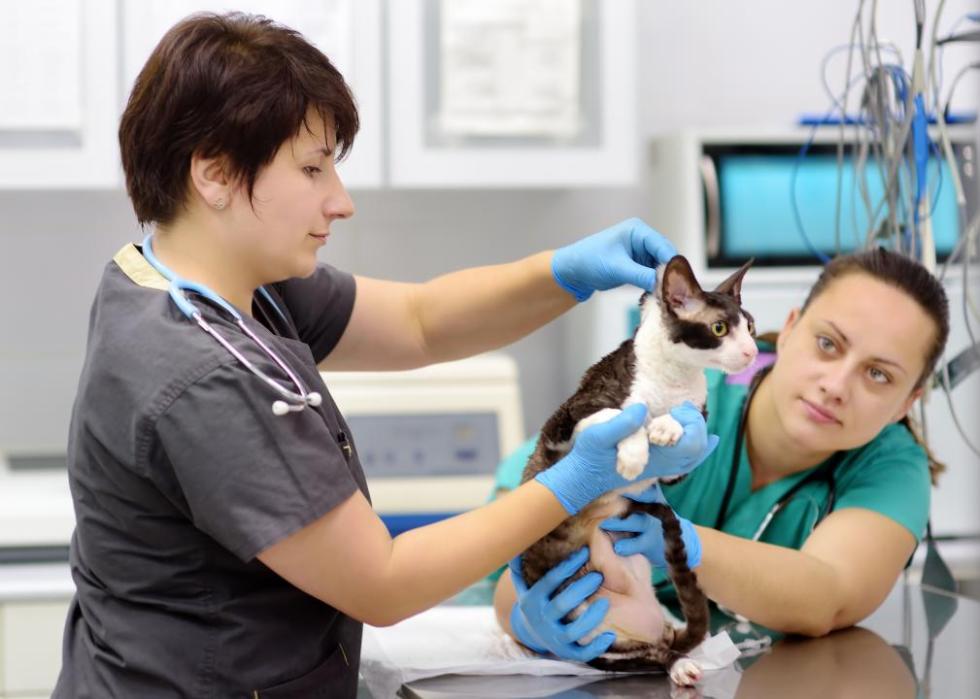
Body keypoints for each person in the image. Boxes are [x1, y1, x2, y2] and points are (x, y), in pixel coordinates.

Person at [52, 12, 716, 698]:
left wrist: (569, 271)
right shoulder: (205, 372)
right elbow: (385, 581)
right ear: (215, 173)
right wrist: (577, 478)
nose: (339, 201)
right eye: (312, 168)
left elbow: (420, 321)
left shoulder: (192, 280)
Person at [492, 246, 950, 659]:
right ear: (789, 331)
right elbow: (512, 569)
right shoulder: (678, 400)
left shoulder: (891, 466)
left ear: (908, 402)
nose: (836, 385)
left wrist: (682, 543)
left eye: (879, 375)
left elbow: (829, 594)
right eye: (827, 344)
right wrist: (528, 620)